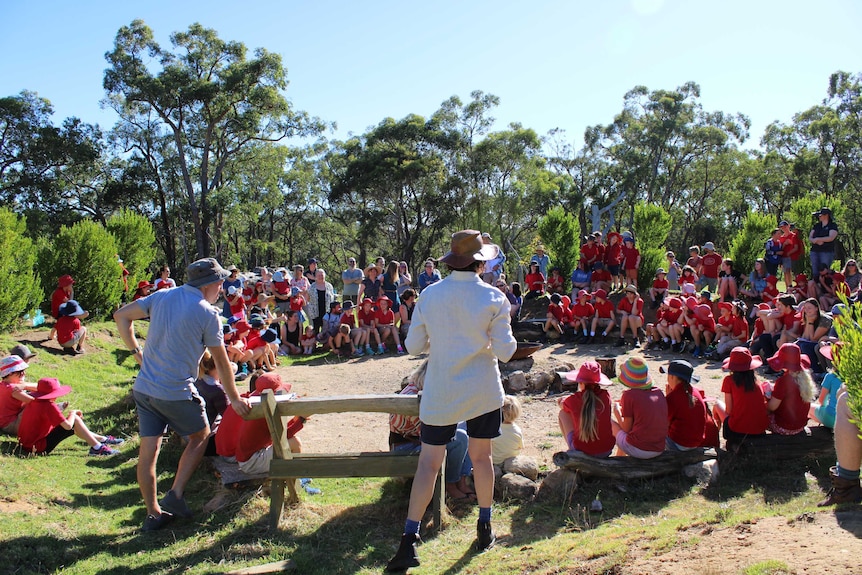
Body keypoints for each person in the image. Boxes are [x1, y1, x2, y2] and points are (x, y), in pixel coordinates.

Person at [386, 229, 516, 571]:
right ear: (479, 262)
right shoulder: (494, 298)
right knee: (483, 457)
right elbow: (506, 353)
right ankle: (485, 527)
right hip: (482, 391)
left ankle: (409, 540)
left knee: (428, 464)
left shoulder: (429, 295)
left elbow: (414, 347)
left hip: (441, 391)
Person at [113, 257, 251, 532]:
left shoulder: (162, 296)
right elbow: (222, 362)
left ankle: (153, 514)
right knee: (200, 435)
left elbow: (121, 316)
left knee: (148, 451)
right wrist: (234, 398)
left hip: (144, 388)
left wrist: (136, 353)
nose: (223, 287)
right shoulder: (206, 312)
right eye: (221, 281)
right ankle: (175, 495)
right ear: (209, 284)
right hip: (175, 391)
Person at [389, 361, 474, 502]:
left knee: (468, 427)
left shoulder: (421, 391)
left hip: (421, 440)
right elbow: (430, 432)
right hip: (407, 446)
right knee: (460, 437)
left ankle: (462, 480)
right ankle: (451, 483)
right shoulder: (414, 398)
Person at [18, 377, 123, 456]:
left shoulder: (34, 401)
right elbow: (68, 426)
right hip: (39, 447)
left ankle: (101, 440)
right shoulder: (49, 405)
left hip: (25, 444)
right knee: (75, 420)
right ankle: (97, 448)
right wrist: (73, 413)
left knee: (74, 422)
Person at [235, 372, 305, 475]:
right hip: (251, 462)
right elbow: (280, 437)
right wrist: (301, 418)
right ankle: (295, 477)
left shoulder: (258, 404)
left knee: (291, 442)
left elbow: (279, 430)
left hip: (250, 457)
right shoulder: (264, 411)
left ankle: (291, 475)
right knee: (295, 442)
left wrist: (296, 419)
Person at [611, 358, 667, 459]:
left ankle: (613, 459)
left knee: (610, 422)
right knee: (633, 431)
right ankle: (619, 458)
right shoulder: (658, 392)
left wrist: (617, 411)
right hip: (659, 448)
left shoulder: (629, 395)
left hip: (640, 450)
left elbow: (625, 428)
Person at [558, 361, 615, 457]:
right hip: (606, 451)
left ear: (580, 382)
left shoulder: (574, 400)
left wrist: (563, 399)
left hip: (581, 451)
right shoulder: (606, 396)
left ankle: (572, 450)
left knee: (563, 413)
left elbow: (561, 404)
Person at [712, 347, 768, 441]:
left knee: (716, 405)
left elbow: (728, 410)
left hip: (737, 430)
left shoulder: (729, 381)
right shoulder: (756, 382)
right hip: (759, 430)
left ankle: (713, 439)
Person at [765, 343, 816, 436]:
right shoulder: (805, 378)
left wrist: (766, 396)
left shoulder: (783, 381)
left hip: (784, 426)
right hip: (800, 426)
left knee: (761, 412)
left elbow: (772, 407)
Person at [662, 360, 713, 451]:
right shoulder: (695, 392)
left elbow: (664, 423)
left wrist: (667, 397)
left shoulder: (673, 397)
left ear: (672, 377)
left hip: (678, 444)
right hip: (696, 442)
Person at [0, 355, 37, 435]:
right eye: (20, 371)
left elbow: (42, 387)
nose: (24, 374)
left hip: (5, 423)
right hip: (11, 425)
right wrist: (26, 386)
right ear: (10, 373)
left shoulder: (3, 385)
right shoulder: (13, 389)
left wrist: (25, 385)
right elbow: (35, 402)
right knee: (35, 404)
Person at [809, 344, 841, 429]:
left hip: (833, 418)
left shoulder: (831, 376)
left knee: (808, 407)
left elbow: (822, 401)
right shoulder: (856, 378)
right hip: (849, 420)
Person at [491, 395, 524, 465]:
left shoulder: (493, 430)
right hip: (511, 462)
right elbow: (521, 446)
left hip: (495, 462)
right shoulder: (517, 430)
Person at [808, 207, 839, 274]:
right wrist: (814, 240)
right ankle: (816, 283)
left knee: (824, 270)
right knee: (815, 270)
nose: (819, 217)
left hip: (826, 251)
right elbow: (810, 236)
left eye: (820, 215)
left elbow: (831, 237)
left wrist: (818, 239)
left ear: (826, 215)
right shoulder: (817, 226)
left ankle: (824, 283)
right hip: (815, 251)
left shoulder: (832, 226)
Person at [306, 269, 335, 336]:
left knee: (326, 329)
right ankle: (314, 344)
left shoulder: (329, 286)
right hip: (315, 312)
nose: (320, 277)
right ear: (315, 276)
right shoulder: (312, 287)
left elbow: (332, 298)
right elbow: (308, 298)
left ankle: (325, 344)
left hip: (326, 311)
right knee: (315, 329)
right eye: (318, 275)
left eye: (322, 275)